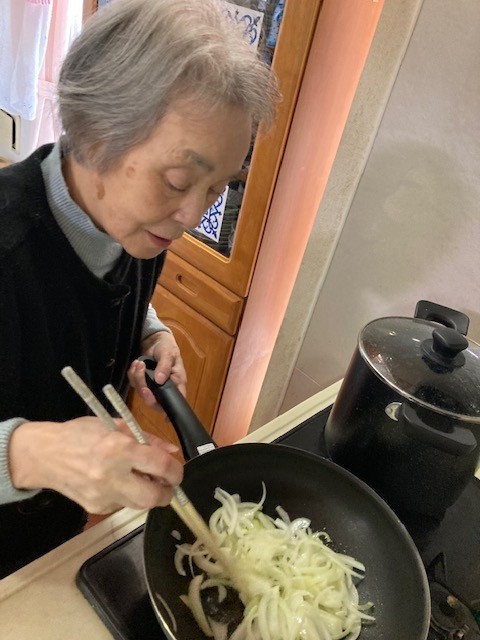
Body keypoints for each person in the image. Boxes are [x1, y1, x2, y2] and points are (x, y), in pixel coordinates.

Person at [0, 0, 278, 578]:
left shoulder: (132, 224)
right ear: (95, 134)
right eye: (178, 180)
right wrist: (28, 454)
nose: (192, 215)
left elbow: (103, 282)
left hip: (53, 544)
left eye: (217, 188)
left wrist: (151, 332)